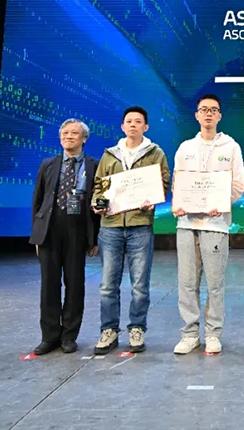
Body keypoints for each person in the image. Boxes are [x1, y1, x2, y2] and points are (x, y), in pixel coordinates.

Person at [91, 106, 171, 355]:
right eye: (129, 121)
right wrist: (97, 202)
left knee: (140, 285)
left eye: (138, 121)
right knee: (107, 285)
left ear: (145, 127)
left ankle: (137, 328)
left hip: (140, 225)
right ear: (122, 126)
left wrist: (154, 199)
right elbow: (99, 185)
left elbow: (163, 183)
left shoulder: (155, 153)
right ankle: (109, 330)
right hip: (111, 226)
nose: (133, 125)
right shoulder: (110, 154)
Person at [171, 94, 244, 355]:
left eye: (214, 110)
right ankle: (189, 333)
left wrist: (221, 203)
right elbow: (178, 183)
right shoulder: (185, 148)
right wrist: (180, 203)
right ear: (197, 115)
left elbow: (238, 185)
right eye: (204, 109)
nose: (209, 114)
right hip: (186, 224)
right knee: (187, 282)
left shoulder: (231, 147)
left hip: (216, 224)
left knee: (215, 283)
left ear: (220, 115)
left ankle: (213, 333)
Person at [30, 119, 101, 355]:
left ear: (84, 139)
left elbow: (98, 204)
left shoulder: (94, 166)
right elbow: (38, 201)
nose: (68, 136)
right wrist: (37, 235)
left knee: (75, 284)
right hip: (49, 230)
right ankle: (49, 336)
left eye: (74, 133)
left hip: (77, 230)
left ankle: (69, 335)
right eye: (65, 133)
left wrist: (93, 239)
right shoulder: (48, 164)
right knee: (49, 285)